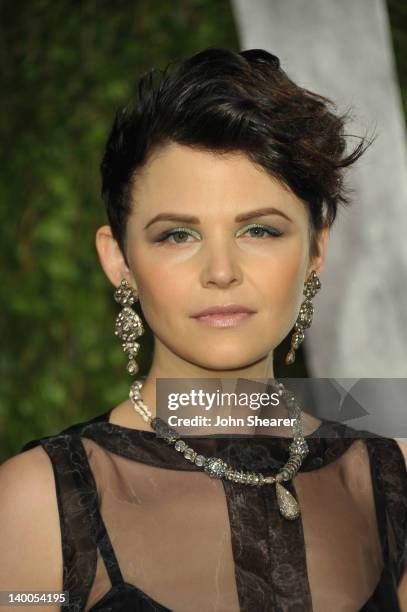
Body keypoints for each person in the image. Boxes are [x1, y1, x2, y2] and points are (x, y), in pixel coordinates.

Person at [0, 48, 406, 612]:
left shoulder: (389, 480)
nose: (221, 272)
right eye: (177, 236)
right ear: (119, 260)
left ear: (317, 249)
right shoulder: (37, 501)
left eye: (260, 230)